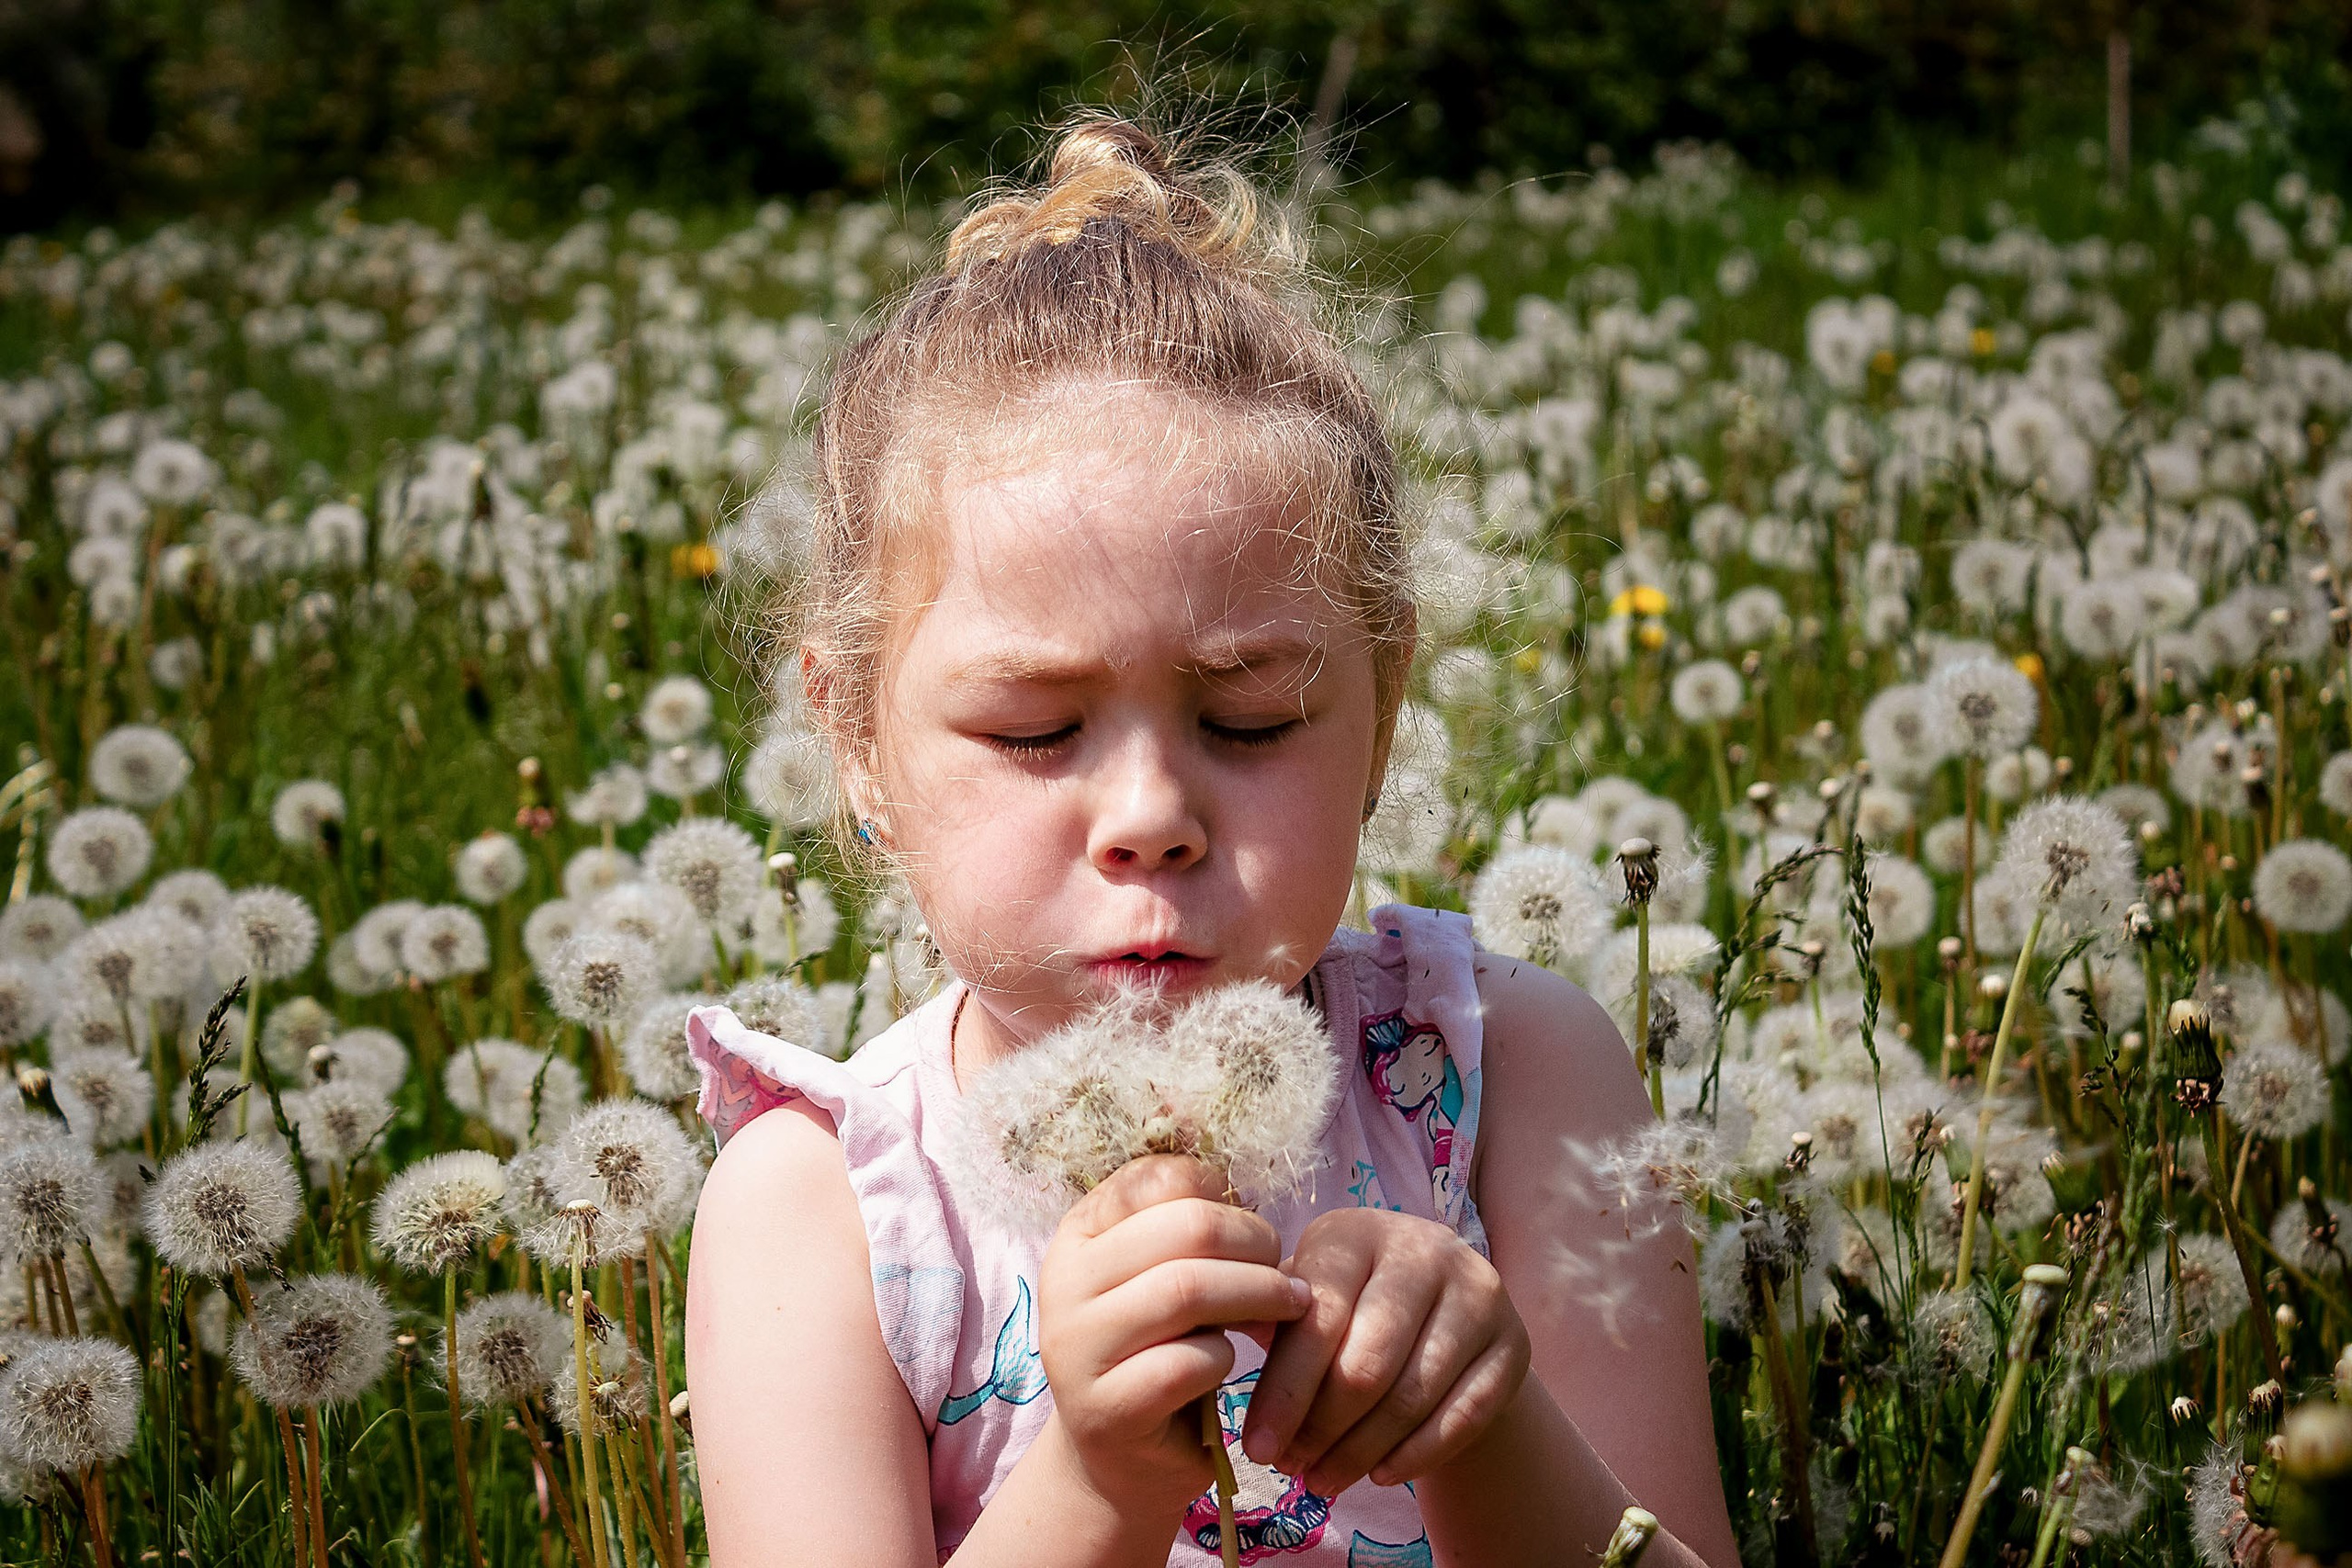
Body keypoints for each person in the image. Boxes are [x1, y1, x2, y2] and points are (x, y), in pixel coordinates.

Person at [684, 113, 1737, 1568]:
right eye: (1037, 731)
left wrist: (1487, 1429)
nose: (1151, 821)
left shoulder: (1514, 1079)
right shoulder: (826, 1214)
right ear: (857, 738)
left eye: (1250, 720)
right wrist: (1097, 1480)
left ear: (1383, 707)